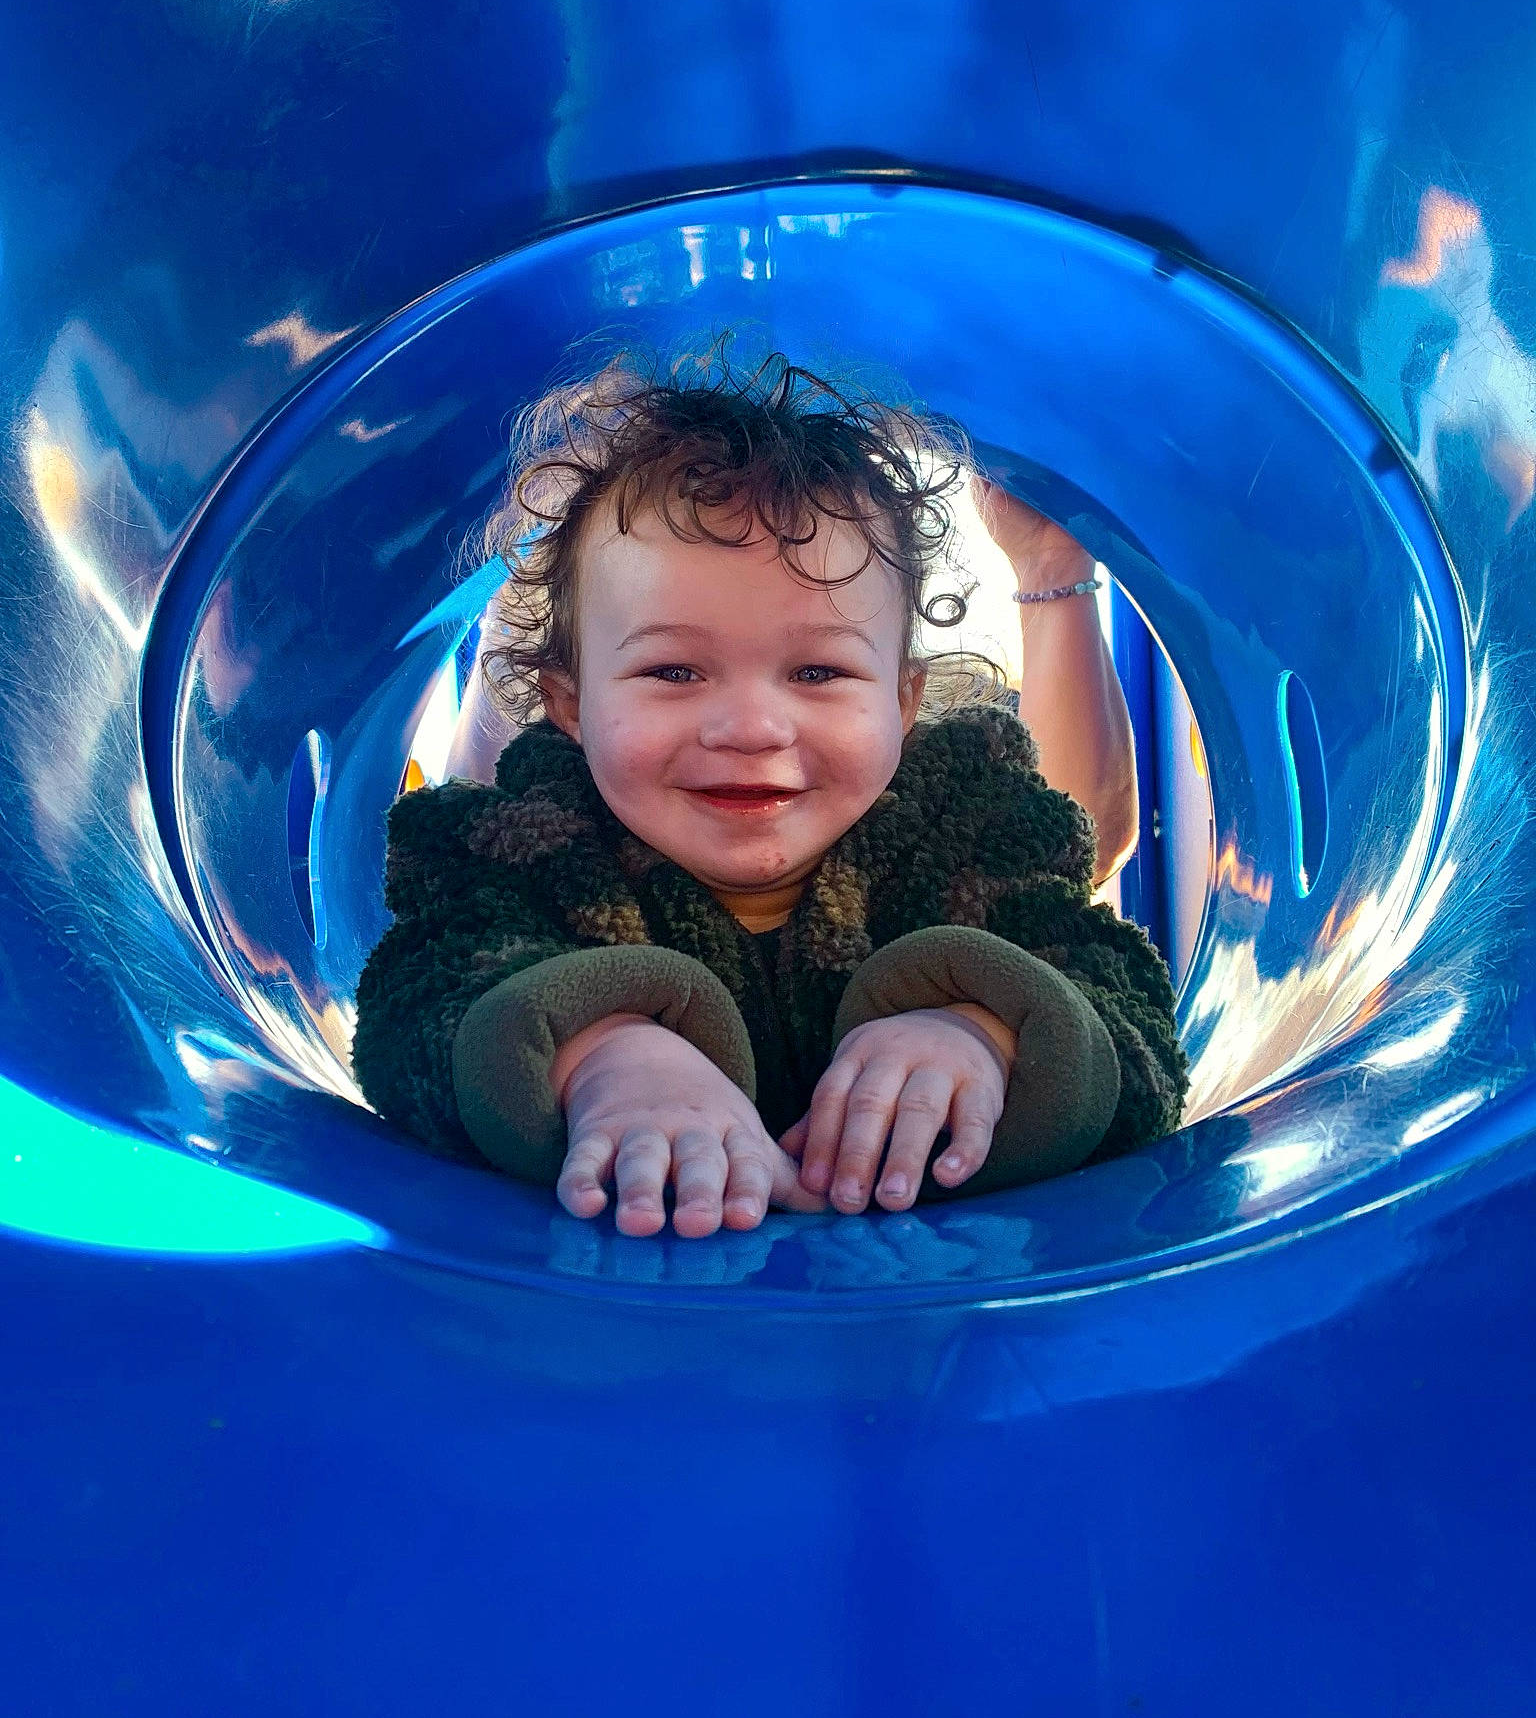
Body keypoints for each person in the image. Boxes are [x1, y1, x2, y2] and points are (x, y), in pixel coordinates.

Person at [352, 348, 1186, 1237]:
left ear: (904, 701)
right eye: (673, 670)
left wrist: (985, 1032)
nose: (752, 727)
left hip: (917, 1327)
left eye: (819, 670)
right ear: (568, 703)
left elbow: (1128, 1010)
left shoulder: (968, 827)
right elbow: (415, 1005)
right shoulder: (527, 845)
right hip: (633, 1323)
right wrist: (601, 1055)